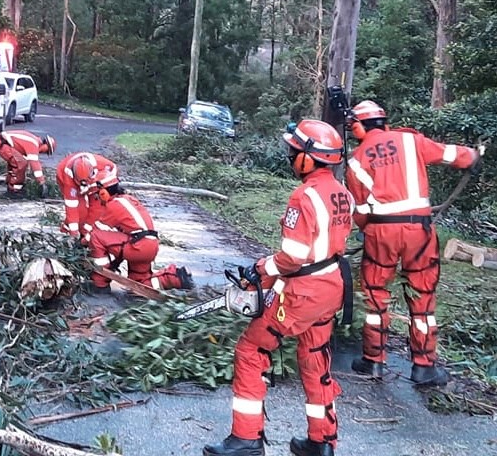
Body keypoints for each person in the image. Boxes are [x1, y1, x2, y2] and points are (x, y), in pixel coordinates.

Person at [203, 119, 354, 456]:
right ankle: (322, 441)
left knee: (251, 351)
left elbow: (293, 257)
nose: (290, 156)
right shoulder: (342, 193)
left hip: (303, 289)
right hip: (332, 286)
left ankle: (246, 439)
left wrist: (260, 270)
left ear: (310, 157)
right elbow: (322, 247)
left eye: (295, 151)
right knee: (315, 358)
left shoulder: (304, 196)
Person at [345, 100, 483, 386]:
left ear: (357, 127)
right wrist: (472, 156)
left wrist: (365, 230)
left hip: (381, 232)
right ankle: (424, 366)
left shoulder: (356, 159)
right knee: (422, 298)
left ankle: (373, 361)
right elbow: (449, 154)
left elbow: (359, 210)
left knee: (375, 294)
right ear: (384, 121)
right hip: (419, 231)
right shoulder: (411, 141)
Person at [84, 180, 195, 293]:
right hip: (149, 246)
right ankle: (176, 279)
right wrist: (115, 263)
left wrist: (81, 243)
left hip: (138, 247)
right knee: (138, 286)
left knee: (96, 236)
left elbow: (96, 232)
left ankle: (99, 283)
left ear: (104, 193)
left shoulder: (114, 205)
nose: (98, 199)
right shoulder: (129, 200)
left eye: (98, 195)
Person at [56, 152, 119, 240]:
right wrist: (73, 231)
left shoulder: (103, 165)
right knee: (80, 210)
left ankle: (86, 232)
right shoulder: (68, 177)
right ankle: (67, 230)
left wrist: (95, 186)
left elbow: (113, 175)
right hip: (65, 178)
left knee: (98, 206)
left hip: (96, 181)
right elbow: (71, 206)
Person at [0, 130, 56, 198]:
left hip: (2, 141)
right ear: (46, 145)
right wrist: (41, 182)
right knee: (21, 164)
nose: (44, 153)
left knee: (16, 163)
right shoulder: (33, 144)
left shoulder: (33, 140)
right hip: (1, 142)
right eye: (47, 151)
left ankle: (11, 185)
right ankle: (14, 190)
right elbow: (35, 164)